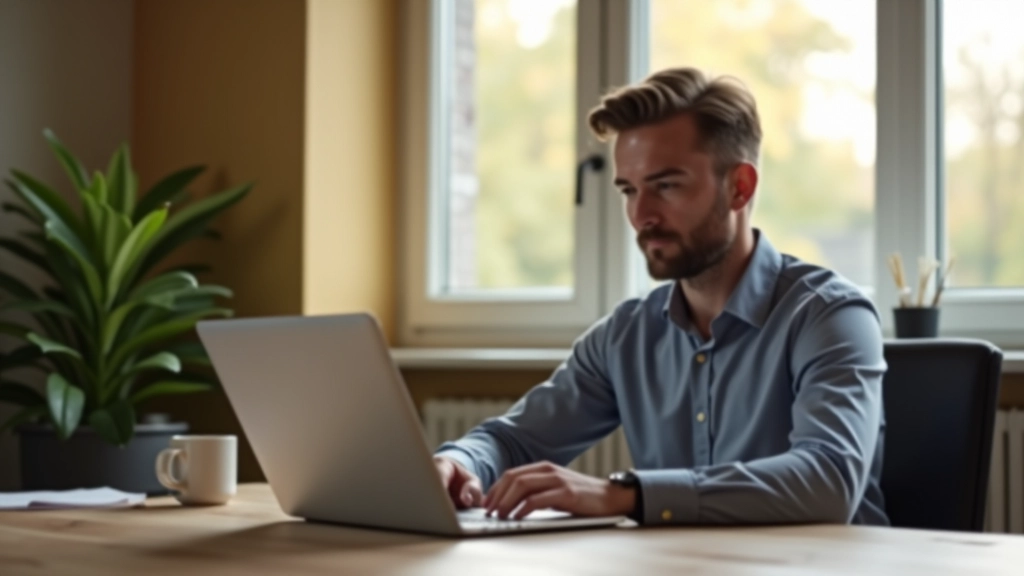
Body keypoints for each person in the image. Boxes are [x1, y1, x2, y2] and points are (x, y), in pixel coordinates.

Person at [433, 67, 888, 526]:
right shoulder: (624, 337)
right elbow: (514, 441)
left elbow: (827, 482)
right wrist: (459, 463)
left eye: (665, 186)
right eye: (629, 190)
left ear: (740, 187)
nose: (641, 214)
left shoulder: (829, 316)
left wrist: (627, 494)